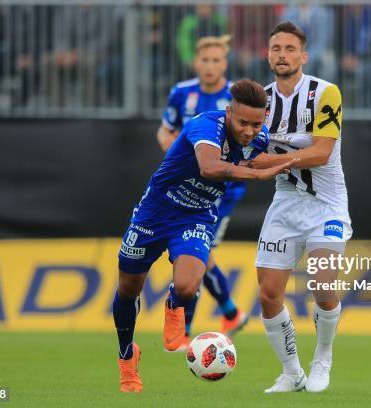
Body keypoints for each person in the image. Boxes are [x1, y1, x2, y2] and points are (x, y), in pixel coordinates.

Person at [113, 79, 295, 393]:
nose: (249, 131)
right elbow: (209, 167)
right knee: (128, 290)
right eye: (242, 123)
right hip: (154, 212)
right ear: (228, 113)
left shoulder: (259, 137)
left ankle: (175, 304)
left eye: (256, 123)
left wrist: (292, 162)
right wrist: (257, 173)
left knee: (187, 284)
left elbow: (259, 157)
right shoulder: (205, 124)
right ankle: (127, 355)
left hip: (196, 216)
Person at [247, 22, 352, 393]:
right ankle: (292, 372)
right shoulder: (259, 101)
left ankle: (322, 357)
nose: (282, 55)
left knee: (323, 286)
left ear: (303, 56)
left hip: (327, 205)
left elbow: (322, 153)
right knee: (268, 293)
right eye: (276, 48)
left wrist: (273, 162)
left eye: (290, 49)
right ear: (268, 54)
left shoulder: (326, 93)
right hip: (286, 204)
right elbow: (246, 152)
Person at [157, 35, 250, 351]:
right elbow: (165, 130)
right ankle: (231, 313)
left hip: (222, 193)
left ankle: (187, 330)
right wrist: (176, 153)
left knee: (197, 256)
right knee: (199, 256)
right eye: (205, 60)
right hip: (185, 188)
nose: (210, 66)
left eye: (216, 61)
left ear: (225, 64)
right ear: (196, 62)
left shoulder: (234, 97)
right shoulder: (182, 93)